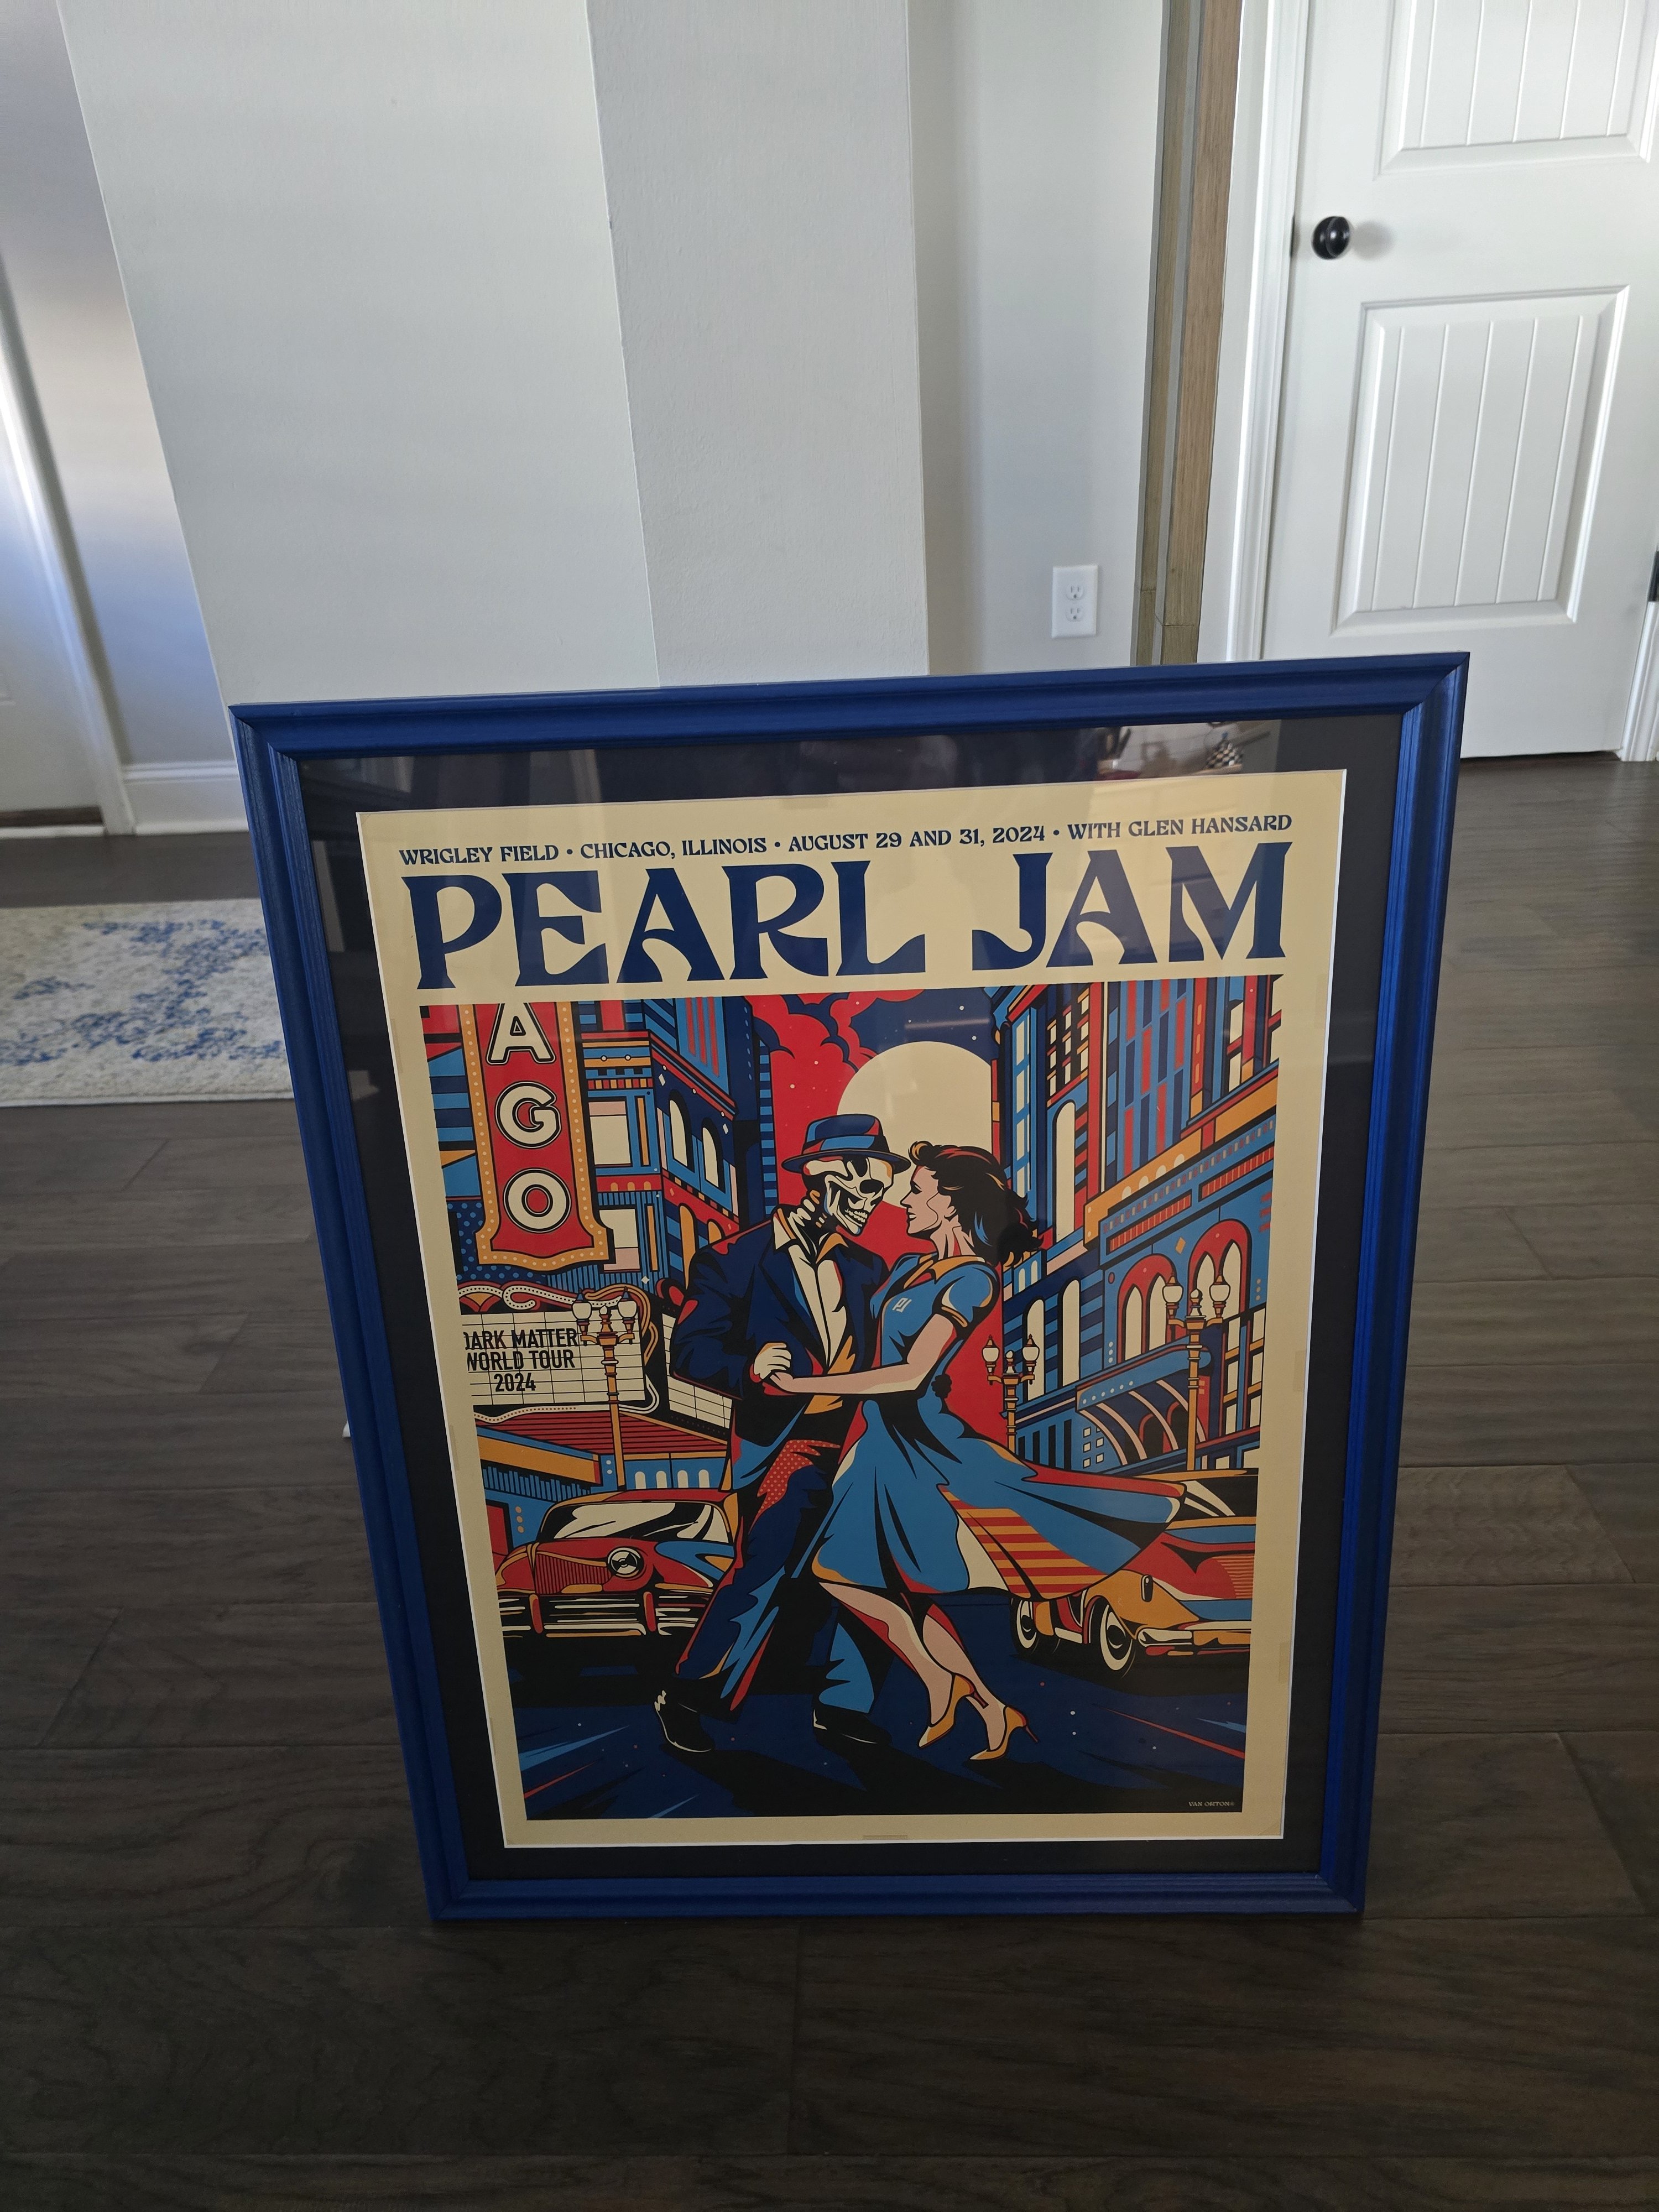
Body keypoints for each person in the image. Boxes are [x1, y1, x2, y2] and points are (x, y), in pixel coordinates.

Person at [775, 1141, 1181, 1760]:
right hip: (878, 1441)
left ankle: (943, 1681)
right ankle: (992, 1708)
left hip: (921, 1444)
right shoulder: (907, 1267)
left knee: (840, 1572)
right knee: (878, 1583)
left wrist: (800, 1386)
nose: (904, 1201)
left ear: (950, 1202)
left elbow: (912, 1372)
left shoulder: (973, 1279)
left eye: (917, 1190)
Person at [654, 1113, 906, 1759]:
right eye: (866, 1187)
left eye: (882, 1191)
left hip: (857, 1442)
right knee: (765, 1565)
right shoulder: (734, 1259)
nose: (874, 1204)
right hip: (786, 1444)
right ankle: (689, 1695)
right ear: (822, 1174)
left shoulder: (869, 1267)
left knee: (872, 1568)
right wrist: (749, 1366)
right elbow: (690, 1352)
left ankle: (845, 1705)